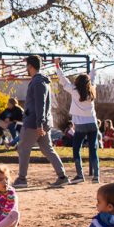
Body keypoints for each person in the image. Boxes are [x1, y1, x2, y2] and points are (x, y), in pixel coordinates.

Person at [15, 55, 69, 188]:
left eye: (27, 65)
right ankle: (62, 176)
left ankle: (22, 179)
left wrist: (39, 124)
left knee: (23, 148)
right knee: (47, 149)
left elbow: (40, 104)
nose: (26, 68)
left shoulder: (38, 81)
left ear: (30, 66)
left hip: (34, 123)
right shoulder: (41, 81)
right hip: (41, 122)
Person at [56, 58, 99, 184]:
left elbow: (63, 81)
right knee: (93, 149)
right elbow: (93, 78)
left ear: (77, 82)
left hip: (80, 124)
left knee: (76, 148)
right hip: (93, 123)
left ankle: (80, 175)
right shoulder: (92, 90)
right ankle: (96, 176)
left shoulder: (74, 91)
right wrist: (93, 67)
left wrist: (57, 66)